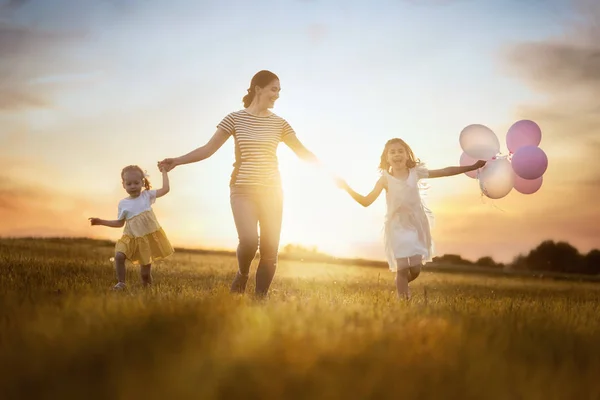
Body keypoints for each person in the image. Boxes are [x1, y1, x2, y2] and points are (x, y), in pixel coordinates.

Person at [158, 70, 319, 297]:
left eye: (279, 91)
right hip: (242, 190)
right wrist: (177, 161)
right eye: (274, 89)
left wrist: (326, 170)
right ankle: (242, 274)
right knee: (250, 241)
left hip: (273, 193)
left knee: (270, 249)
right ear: (258, 89)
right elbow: (208, 149)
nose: (277, 95)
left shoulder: (280, 124)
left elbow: (301, 151)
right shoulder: (234, 119)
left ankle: (260, 298)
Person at [336, 138, 485, 299]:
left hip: (416, 225)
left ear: (408, 155)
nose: (397, 154)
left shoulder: (416, 173)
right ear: (386, 158)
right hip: (396, 226)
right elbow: (366, 201)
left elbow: (444, 171)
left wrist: (472, 166)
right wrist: (347, 188)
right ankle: (404, 300)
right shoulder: (384, 180)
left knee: (415, 270)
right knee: (401, 269)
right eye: (392, 152)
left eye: (400, 151)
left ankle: (401, 284)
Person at [89, 165, 173, 290]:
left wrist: (164, 171)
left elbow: (165, 189)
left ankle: (148, 291)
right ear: (123, 185)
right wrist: (101, 221)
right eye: (129, 184)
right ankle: (121, 283)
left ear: (142, 182)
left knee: (145, 275)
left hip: (145, 240)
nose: (133, 186)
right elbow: (119, 223)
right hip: (130, 237)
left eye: (136, 183)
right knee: (119, 256)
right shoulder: (123, 203)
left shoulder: (146, 196)